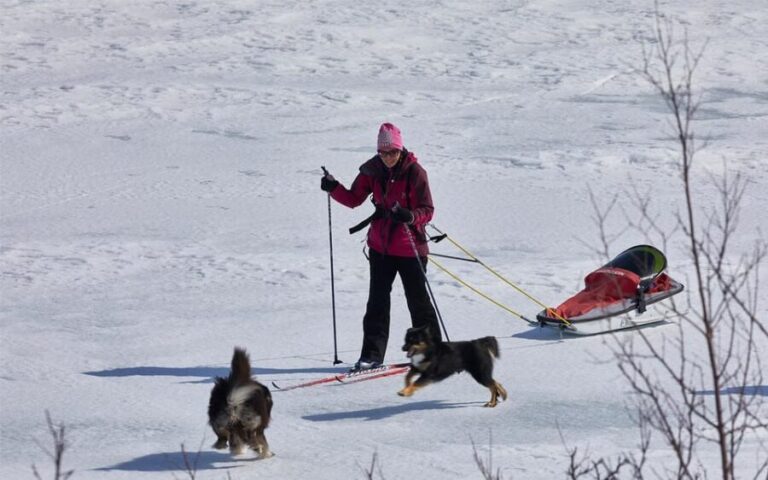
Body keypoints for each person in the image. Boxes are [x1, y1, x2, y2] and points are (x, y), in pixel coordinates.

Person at [320, 122, 442, 372]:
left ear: (400, 149)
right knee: (376, 303)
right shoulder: (371, 170)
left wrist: (410, 216)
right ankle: (371, 356)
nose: (388, 157)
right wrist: (334, 188)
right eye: (383, 153)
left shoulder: (415, 172)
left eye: (392, 152)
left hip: (410, 248)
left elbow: (427, 210)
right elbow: (354, 199)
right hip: (380, 248)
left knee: (418, 302)